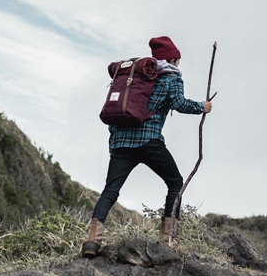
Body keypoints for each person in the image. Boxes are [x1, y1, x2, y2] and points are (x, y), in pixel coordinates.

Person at [82, 35, 213, 258]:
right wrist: (202, 106)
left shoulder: (142, 75)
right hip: (148, 141)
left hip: (120, 142)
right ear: (173, 59)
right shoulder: (171, 77)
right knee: (175, 182)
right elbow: (179, 104)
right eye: (177, 60)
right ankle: (167, 238)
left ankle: (91, 242)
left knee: (110, 190)